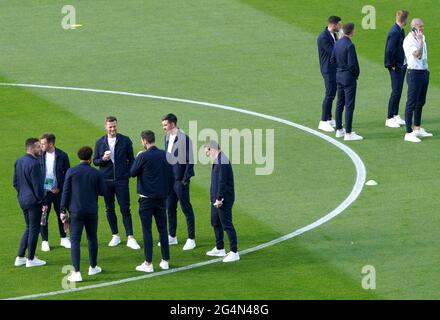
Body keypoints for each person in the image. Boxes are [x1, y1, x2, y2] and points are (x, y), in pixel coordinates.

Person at [93, 116, 140, 249]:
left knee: (125, 208)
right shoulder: (100, 142)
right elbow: (95, 161)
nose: (112, 129)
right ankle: (115, 235)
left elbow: (132, 160)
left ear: (117, 125)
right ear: (105, 127)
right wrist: (103, 159)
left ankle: (130, 237)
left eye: (114, 126)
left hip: (121, 181)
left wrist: (128, 174)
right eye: (110, 126)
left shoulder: (125, 140)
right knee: (109, 209)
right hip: (106, 181)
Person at [60, 146, 106, 282]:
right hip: (91, 211)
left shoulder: (71, 171)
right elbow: (103, 191)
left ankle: (77, 272)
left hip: (75, 212)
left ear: (79, 157)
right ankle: (93, 267)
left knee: (75, 241)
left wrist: (62, 210)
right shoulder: (96, 173)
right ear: (91, 158)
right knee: (92, 238)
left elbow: (66, 192)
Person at [131, 130, 173, 272]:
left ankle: (148, 263)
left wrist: (137, 158)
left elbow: (132, 172)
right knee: (163, 229)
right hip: (161, 199)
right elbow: (171, 177)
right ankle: (165, 260)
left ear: (144, 141)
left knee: (147, 231)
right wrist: (166, 193)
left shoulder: (143, 156)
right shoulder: (165, 155)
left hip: (146, 200)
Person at [161, 113, 196, 251]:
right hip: (170, 180)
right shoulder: (166, 137)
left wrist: (184, 180)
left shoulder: (184, 139)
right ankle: (172, 236)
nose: (163, 127)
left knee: (186, 208)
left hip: (180, 181)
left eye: (165, 125)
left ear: (173, 124)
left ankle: (191, 238)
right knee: (170, 208)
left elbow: (190, 161)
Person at [13, 138, 48, 268]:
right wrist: (42, 201)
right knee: (34, 229)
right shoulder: (34, 164)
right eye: (39, 147)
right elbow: (37, 186)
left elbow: (15, 183)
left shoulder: (19, 161)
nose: (41, 149)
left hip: (22, 200)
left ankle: (20, 257)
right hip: (33, 202)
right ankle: (31, 259)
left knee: (29, 228)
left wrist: (23, 193)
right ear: (32, 148)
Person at [204, 141, 239, 263]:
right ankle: (220, 248)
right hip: (215, 199)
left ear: (211, 148)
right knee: (215, 222)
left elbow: (222, 181)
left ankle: (234, 252)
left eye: (207, 151)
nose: (207, 154)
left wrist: (219, 198)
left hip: (223, 199)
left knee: (227, 224)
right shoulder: (218, 159)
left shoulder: (222, 160)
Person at [39, 133, 71, 252]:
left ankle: (63, 238)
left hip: (58, 191)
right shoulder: (39, 155)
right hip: (44, 192)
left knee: (61, 214)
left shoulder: (62, 155)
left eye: (43, 143)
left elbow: (68, 175)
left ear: (51, 144)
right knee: (44, 216)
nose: (41, 145)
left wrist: (60, 188)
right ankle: (44, 241)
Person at [403, 18, 433, 143]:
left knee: (420, 101)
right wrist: (420, 41)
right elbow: (418, 54)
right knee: (411, 102)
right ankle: (408, 132)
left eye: (423, 26)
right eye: (420, 27)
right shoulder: (409, 40)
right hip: (414, 73)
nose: (422, 29)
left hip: (423, 71)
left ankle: (417, 128)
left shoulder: (422, 36)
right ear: (414, 27)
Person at [332, 22, 363, 141]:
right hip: (348, 78)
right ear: (352, 31)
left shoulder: (337, 43)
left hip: (339, 76)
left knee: (340, 103)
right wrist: (355, 75)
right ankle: (348, 133)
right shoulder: (350, 45)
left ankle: (339, 130)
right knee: (349, 105)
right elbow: (353, 65)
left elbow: (332, 59)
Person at [384, 10, 410, 128]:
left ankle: (395, 114)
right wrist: (392, 65)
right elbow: (389, 50)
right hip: (396, 66)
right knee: (395, 91)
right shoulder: (395, 32)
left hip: (401, 65)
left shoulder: (400, 30)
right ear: (405, 20)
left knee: (398, 90)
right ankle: (389, 117)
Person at [317, 16, 342, 132]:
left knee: (332, 93)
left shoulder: (332, 35)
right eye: (339, 25)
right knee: (329, 94)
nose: (340, 26)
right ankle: (323, 121)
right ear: (333, 24)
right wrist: (342, 40)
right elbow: (333, 52)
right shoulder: (323, 37)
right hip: (328, 70)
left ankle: (328, 118)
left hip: (333, 69)